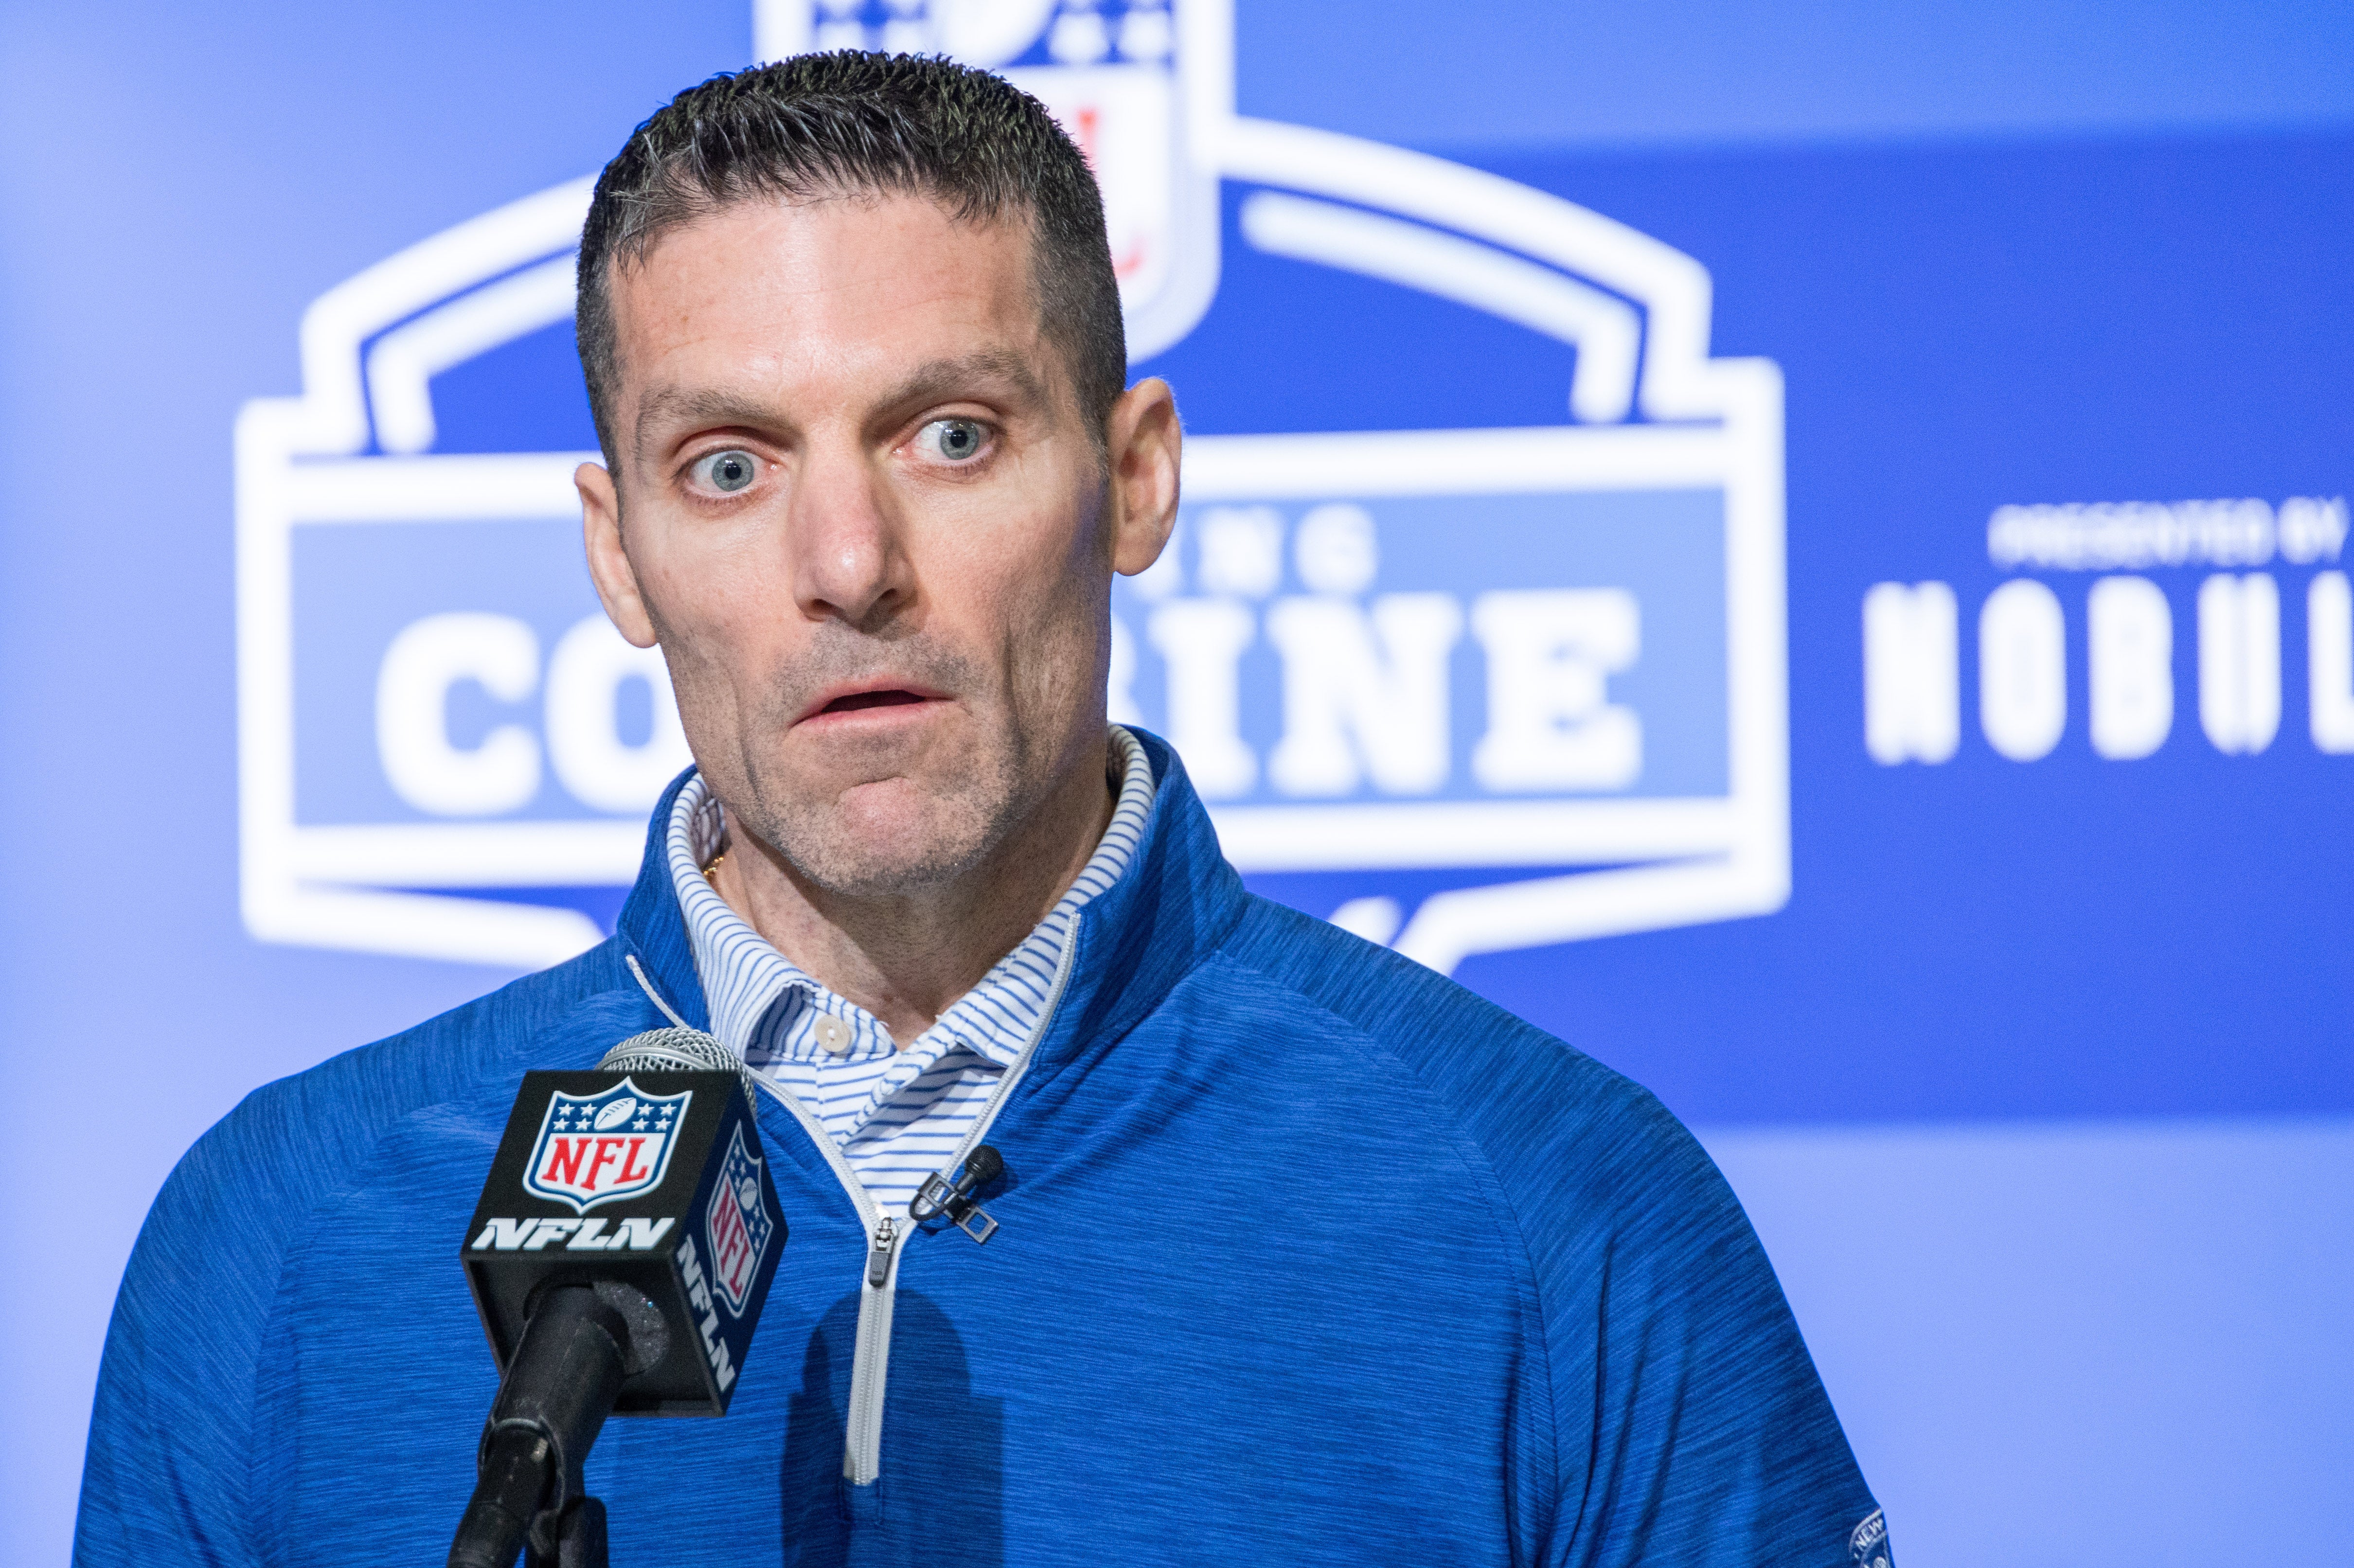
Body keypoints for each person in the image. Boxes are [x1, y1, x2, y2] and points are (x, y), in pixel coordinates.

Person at [76, 53, 1889, 1568]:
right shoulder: (283, 1246)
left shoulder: (1559, 1216)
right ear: (618, 553)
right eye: (728, 467)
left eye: (949, 434)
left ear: (1132, 477)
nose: (848, 565)